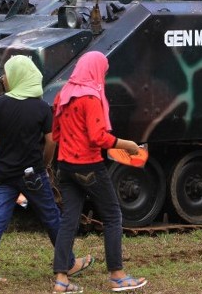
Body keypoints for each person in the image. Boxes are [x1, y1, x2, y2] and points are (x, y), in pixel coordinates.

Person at [51, 51, 148, 293]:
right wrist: (128, 145)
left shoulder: (63, 94)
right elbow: (98, 137)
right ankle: (117, 275)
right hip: (88, 165)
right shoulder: (90, 98)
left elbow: (56, 134)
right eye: (103, 72)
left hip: (65, 165)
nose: (103, 76)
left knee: (69, 220)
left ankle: (61, 279)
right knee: (113, 216)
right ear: (95, 70)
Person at [0, 55, 62, 282]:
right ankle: (68, 262)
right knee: (51, 216)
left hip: (4, 174)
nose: (4, 78)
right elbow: (52, 141)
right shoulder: (42, 108)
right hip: (32, 173)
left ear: (16, 76)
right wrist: (44, 165)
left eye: (6, 73)